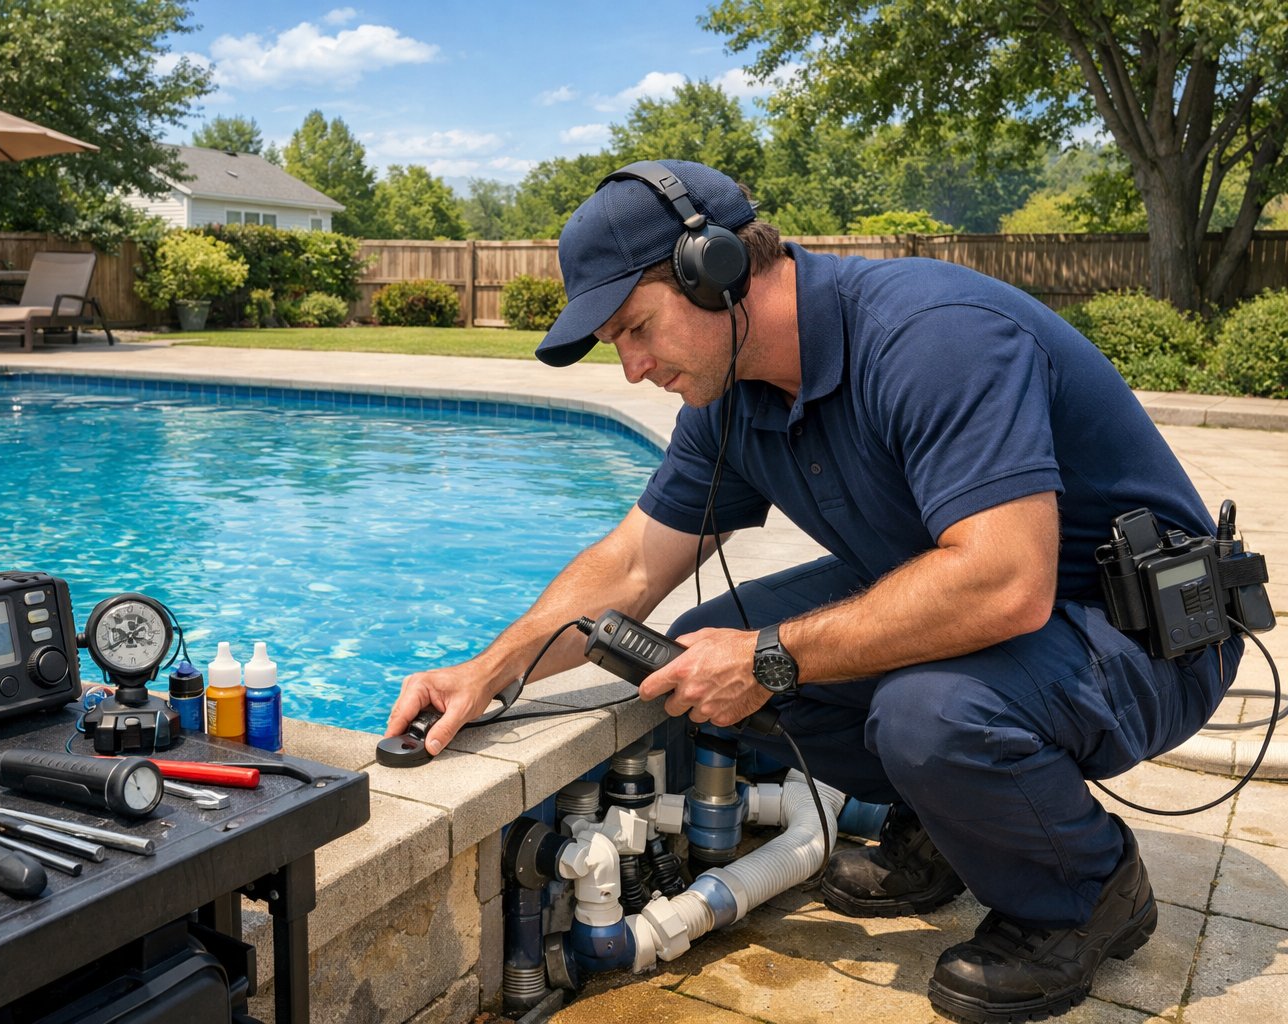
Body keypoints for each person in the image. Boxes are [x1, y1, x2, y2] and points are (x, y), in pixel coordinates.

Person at [383, 159, 1242, 1023]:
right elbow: (636, 564)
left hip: (1143, 635)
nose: (634, 369)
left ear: (712, 270)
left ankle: (1087, 893)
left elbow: (1008, 584)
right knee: (699, 646)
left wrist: (774, 656)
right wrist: (489, 669)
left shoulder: (934, 338)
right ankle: (956, 830)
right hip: (1007, 607)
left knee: (923, 712)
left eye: (637, 329)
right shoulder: (731, 398)